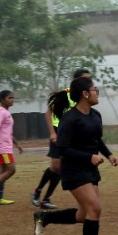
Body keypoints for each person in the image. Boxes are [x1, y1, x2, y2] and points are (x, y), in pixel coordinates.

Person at [32, 76, 118, 235]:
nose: (97, 93)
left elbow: (97, 141)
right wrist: (89, 157)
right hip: (73, 169)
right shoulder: (70, 119)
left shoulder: (96, 115)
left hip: (90, 169)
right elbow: (63, 150)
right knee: (95, 209)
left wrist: (109, 154)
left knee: (84, 214)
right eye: (95, 90)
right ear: (85, 94)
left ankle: (45, 217)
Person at [32, 68, 92, 210]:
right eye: (86, 79)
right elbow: (48, 114)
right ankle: (37, 191)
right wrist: (52, 133)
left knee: (61, 167)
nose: (89, 82)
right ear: (76, 81)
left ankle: (45, 198)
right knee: (56, 166)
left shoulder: (85, 97)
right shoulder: (65, 95)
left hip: (71, 134)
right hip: (59, 132)